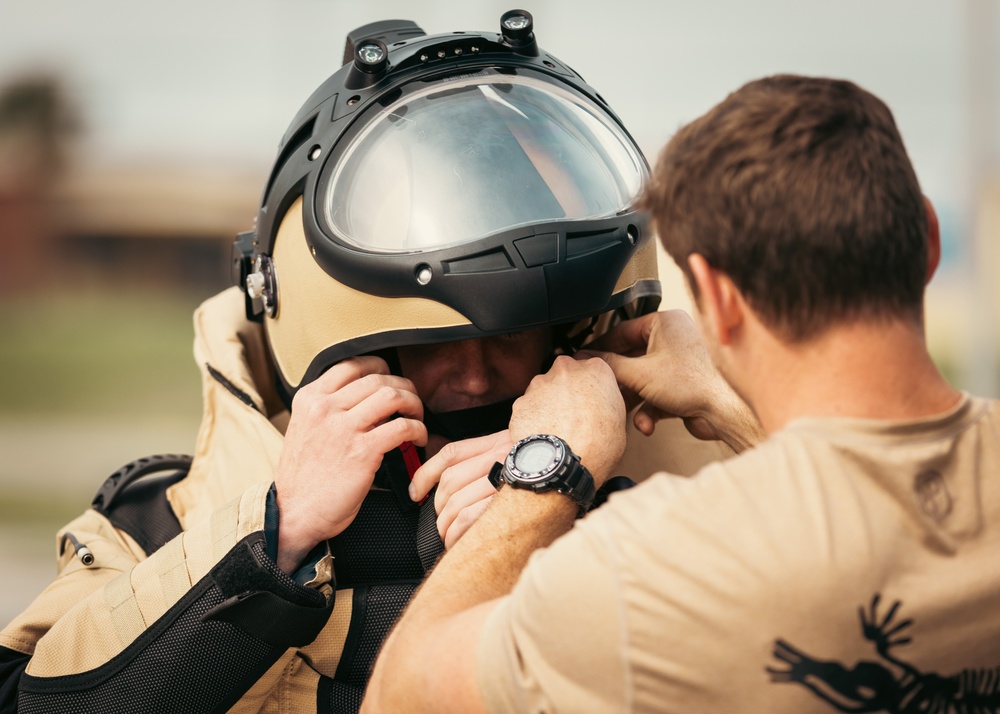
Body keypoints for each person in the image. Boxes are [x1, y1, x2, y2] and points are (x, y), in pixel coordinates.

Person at [0, 10, 729, 713]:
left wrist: (711, 412)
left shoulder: (658, 503)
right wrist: (275, 534)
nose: (474, 378)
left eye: (511, 336)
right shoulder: (154, 524)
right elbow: (32, 702)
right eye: (430, 342)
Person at [362, 74, 1000, 713]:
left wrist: (550, 468)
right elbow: (875, 499)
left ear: (716, 300)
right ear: (928, 238)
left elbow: (398, 696)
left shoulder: (652, 568)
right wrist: (723, 404)